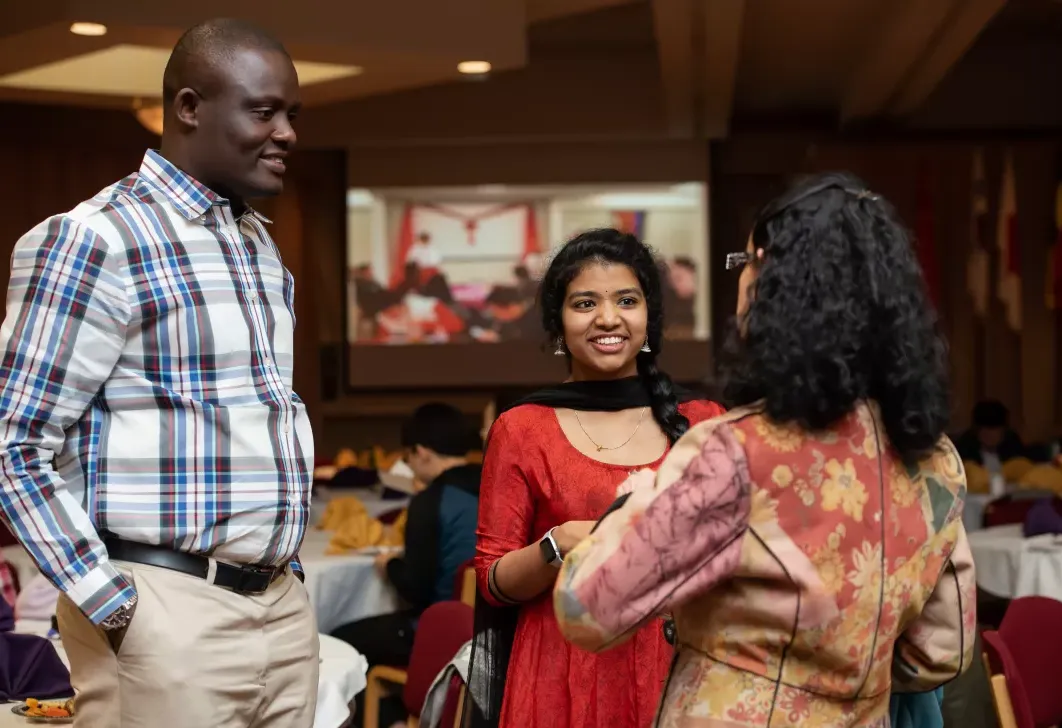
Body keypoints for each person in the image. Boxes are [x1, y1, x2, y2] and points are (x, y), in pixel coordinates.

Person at [553, 174, 976, 727]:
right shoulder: (935, 460)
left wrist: (639, 499)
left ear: (774, 283)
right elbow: (943, 651)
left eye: (747, 263)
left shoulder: (737, 451)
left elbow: (586, 608)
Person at [0, 19, 317, 728]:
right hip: (164, 613)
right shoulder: (97, 238)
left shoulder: (259, 248)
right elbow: (11, 443)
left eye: (292, 115)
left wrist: (285, 584)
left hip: (279, 608)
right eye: (263, 111)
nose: (287, 133)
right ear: (189, 108)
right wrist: (109, 600)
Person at [466, 229, 725, 728]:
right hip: (561, 674)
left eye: (626, 300)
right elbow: (492, 581)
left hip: (678, 668)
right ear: (558, 325)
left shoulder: (704, 420)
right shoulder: (521, 428)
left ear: (649, 315)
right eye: (585, 303)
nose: (608, 318)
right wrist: (557, 544)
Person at [333, 403, 481, 666]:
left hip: (444, 630)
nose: (409, 466)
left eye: (408, 458)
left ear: (421, 452)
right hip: (495, 628)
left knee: (339, 642)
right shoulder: (494, 484)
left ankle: (384, 706)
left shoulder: (432, 501)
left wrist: (389, 565)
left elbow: (417, 590)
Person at [954, 399, 1024, 473]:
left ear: (1003, 431)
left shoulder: (1013, 448)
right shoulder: (964, 451)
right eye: (985, 430)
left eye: (994, 429)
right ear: (976, 431)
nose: (990, 434)